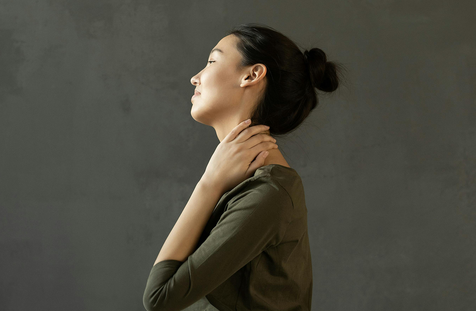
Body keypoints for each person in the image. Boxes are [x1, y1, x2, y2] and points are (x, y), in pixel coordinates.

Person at [142, 23, 344, 311]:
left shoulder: (270, 192)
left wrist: (208, 184)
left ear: (251, 75)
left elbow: (159, 298)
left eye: (212, 60)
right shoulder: (245, 183)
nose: (194, 78)